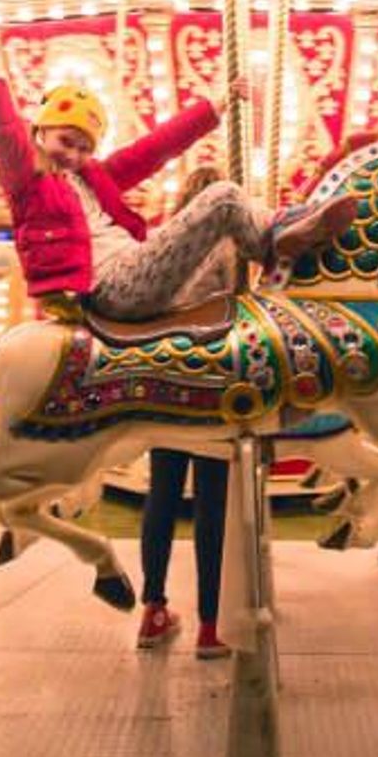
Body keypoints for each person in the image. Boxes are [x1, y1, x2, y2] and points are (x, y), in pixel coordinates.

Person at [0, 31, 358, 322]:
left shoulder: (93, 179)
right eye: (66, 140)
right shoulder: (28, 182)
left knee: (224, 253)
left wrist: (217, 104)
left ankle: (282, 239)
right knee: (225, 198)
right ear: (40, 132)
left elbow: (154, 149)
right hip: (108, 287)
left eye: (84, 147)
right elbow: (0, 124)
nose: (75, 154)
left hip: (135, 270)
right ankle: (278, 247)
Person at [137, 167, 233, 656]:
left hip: (163, 377)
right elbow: (241, 305)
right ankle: (210, 625)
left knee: (163, 496)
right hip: (212, 380)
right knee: (212, 503)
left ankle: (153, 608)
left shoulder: (160, 244)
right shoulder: (226, 247)